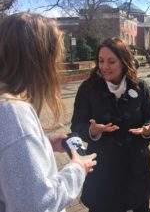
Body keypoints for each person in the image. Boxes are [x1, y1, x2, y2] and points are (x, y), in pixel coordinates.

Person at [0, 13, 97, 212]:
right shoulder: (13, 113)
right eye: (54, 58)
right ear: (39, 60)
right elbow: (35, 204)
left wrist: (43, 142)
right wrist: (78, 169)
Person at [71, 37, 150, 212]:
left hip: (136, 168)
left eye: (111, 61)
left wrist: (148, 129)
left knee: (140, 206)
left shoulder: (140, 87)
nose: (104, 66)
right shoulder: (88, 89)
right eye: (101, 61)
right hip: (103, 172)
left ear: (124, 61)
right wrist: (91, 131)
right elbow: (76, 126)